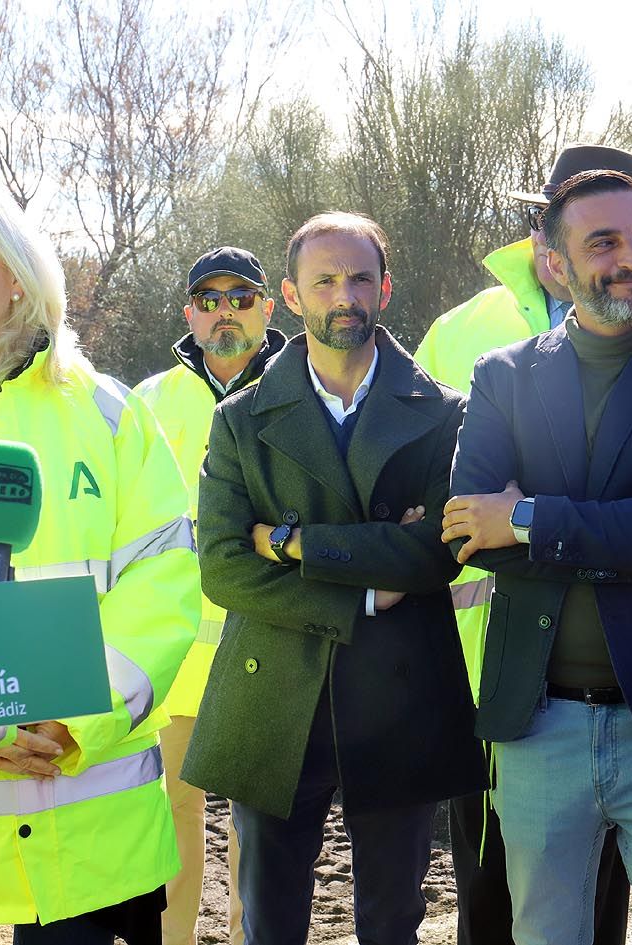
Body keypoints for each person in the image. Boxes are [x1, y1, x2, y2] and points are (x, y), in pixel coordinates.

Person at [0, 184, 199, 944]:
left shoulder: (110, 412)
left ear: (18, 274)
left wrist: (75, 715)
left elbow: (162, 580)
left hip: (90, 819)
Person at [443, 169, 632, 944]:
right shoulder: (503, 375)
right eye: (605, 242)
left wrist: (527, 518)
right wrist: (631, 529)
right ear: (555, 263)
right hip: (538, 725)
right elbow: (466, 533)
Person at [183, 212, 485, 945]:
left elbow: (437, 551)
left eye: (358, 278)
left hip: (403, 691)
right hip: (275, 691)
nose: (343, 296)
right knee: (271, 919)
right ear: (291, 295)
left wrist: (291, 542)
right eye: (323, 281)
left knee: (393, 919)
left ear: (385, 287)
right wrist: (365, 592)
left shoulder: (446, 412)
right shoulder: (240, 419)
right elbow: (223, 567)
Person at [133, 246, 286, 945]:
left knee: (262, 821)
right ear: (188, 313)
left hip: (274, 644)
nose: (225, 311)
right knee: (172, 812)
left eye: (241, 297)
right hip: (175, 652)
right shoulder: (145, 403)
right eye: (209, 299)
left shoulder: (305, 386)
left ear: (268, 307)